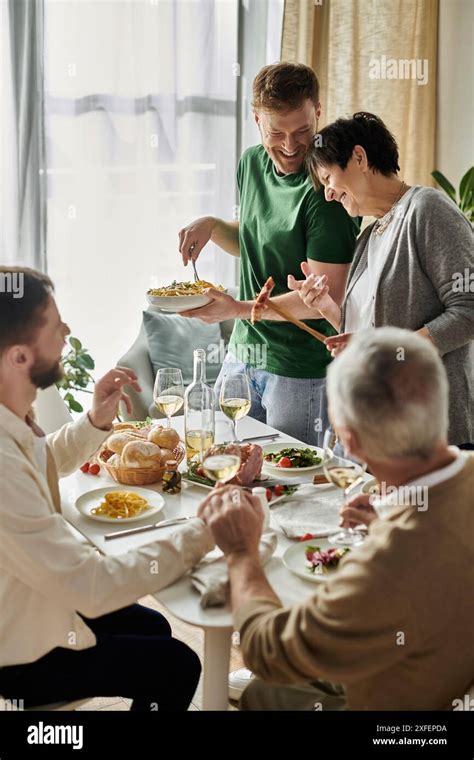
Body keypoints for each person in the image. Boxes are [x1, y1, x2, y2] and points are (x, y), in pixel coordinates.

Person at [198, 327, 474, 710]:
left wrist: (242, 553)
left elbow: (267, 651)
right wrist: (386, 521)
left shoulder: (385, 564)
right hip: (440, 670)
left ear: (350, 441)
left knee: (263, 692)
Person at [0, 267, 214, 711]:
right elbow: (92, 585)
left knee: (154, 628)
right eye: (54, 323)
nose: (67, 330)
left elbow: (43, 462)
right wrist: (202, 532)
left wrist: (96, 420)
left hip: (39, 591)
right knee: (177, 666)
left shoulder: (12, 416)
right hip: (17, 650)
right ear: (19, 357)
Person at [178, 63, 359, 446]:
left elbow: (329, 298)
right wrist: (213, 225)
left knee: (291, 494)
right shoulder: (251, 163)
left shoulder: (326, 190)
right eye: (276, 132)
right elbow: (254, 240)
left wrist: (236, 309)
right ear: (256, 118)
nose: (291, 147)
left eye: (303, 131)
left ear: (318, 112)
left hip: (299, 370)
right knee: (220, 466)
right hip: (242, 355)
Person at [288, 111, 474, 447]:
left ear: (359, 157)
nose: (328, 194)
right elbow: (368, 331)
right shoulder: (369, 235)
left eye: (328, 178)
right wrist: (327, 307)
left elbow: (469, 310)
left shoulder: (426, 209)